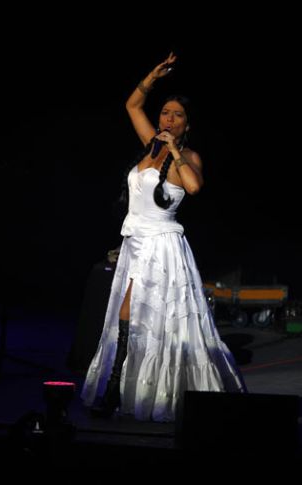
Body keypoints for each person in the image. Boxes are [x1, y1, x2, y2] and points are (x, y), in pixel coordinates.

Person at [81, 53, 247, 422]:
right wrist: (151, 77)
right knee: (125, 316)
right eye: (165, 113)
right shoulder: (148, 145)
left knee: (157, 320)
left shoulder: (188, 155)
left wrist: (175, 151)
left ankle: (146, 390)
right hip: (134, 245)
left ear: (188, 124)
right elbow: (132, 104)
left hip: (163, 247)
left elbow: (194, 187)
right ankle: (115, 388)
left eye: (177, 115)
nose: (168, 119)